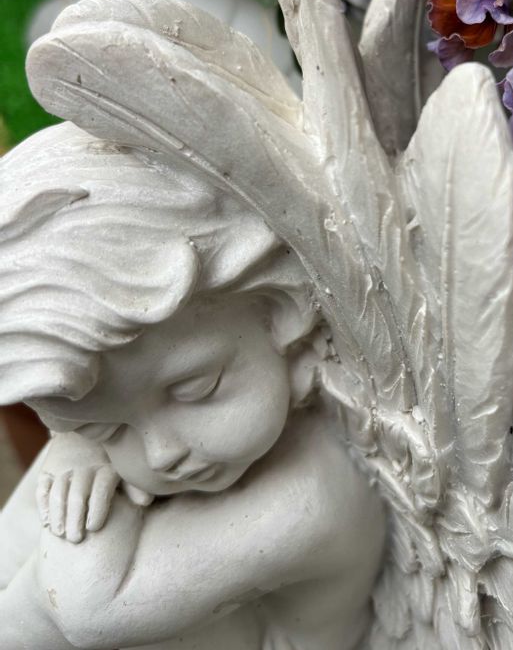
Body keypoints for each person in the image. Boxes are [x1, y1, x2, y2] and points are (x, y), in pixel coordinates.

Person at [0, 122, 386, 650]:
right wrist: (77, 446)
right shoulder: (170, 431)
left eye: (197, 389)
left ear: (276, 311)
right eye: (104, 428)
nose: (162, 454)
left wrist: (86, 454)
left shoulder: (313, 496)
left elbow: (78, 612)